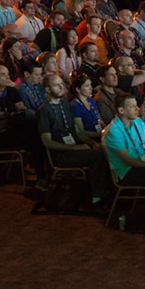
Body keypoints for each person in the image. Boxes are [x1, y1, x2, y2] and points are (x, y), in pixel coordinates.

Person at [39, 74, 111, 208]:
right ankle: (97, 198)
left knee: (103, 149)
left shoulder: (65, 105)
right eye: (57, 85)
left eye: (62, 84)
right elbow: (47, 142)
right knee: (98, 156)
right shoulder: (45, 110)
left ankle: (106, 191)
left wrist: (91, 143)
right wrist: (76, 148)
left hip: (74, 146)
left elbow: (77, 132)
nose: (62, 87)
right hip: (62, 154)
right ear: (48, 90)